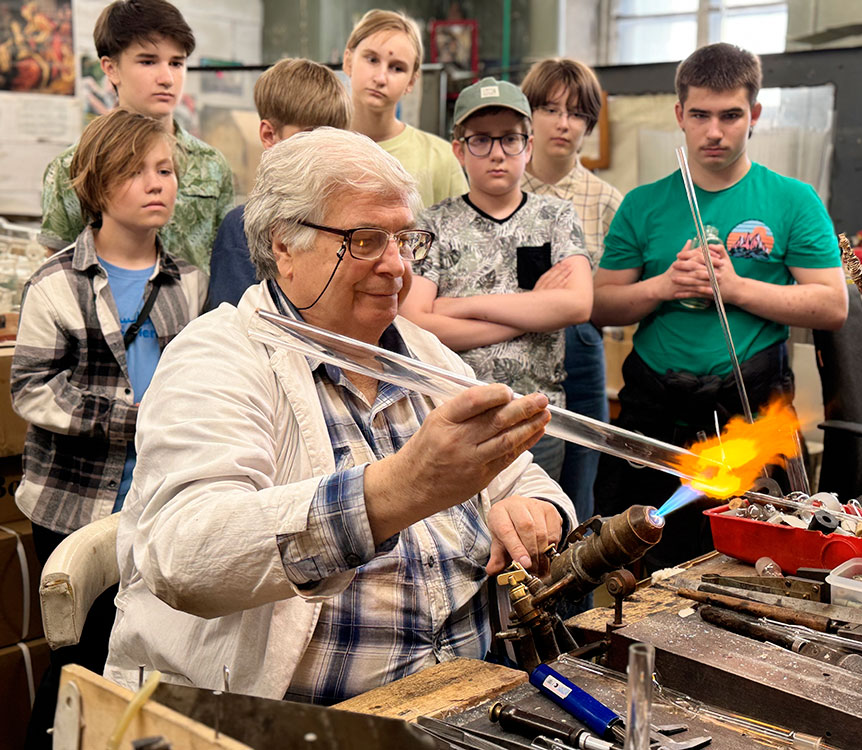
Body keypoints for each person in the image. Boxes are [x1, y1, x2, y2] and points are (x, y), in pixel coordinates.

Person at [104, 127, 576, 704]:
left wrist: (535, 508)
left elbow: (520, 474)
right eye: (365, 240)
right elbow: (186, 555)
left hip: (473, 697)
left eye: (405, 241)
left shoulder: (424, 354)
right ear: (284, 245)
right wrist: (400, 490)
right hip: (305, 723)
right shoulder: (218, 356)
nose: (397, 267)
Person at [592, 43, 848, 569]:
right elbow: (599, 305)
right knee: (635, 558)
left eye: (731, 115)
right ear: (679, 115)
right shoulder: (643, 204)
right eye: (701, 115)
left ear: (754, 114)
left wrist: (736, 289)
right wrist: (663, 286)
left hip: (748, 405)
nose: (715, 132)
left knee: (749, 562)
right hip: (653, 412)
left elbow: (832, 305)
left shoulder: (792, 201)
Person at [13, 108, 207, 748]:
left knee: (154, 648)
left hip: (158, 502)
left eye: (166, 170)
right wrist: (136, 418)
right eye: (135, 172)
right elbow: (32, 388)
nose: (158, 184)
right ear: (95, 187)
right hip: (73, 504)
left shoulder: (188, 283)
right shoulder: (55, 283)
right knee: (83, 656)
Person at [399, 78, 593, 482]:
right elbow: (416, 323)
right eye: (481, 141)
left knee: (540, 538)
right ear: (459, 150)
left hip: (539, 419)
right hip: (454, 418)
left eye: (509, 139)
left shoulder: (556, 217)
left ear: (529, 146)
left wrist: (460, 306)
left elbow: (576, 305)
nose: (497, 154)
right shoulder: (434, 223)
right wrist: (533, 311)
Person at [39, 0, 233, 273]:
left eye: (176, 63)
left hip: (198, 312)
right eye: (148, 61)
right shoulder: (73, 166)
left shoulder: (212, 165)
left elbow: (226, 264)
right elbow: (56, 276)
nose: (167, 78)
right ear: (110, 69)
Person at [520, 57, 623, 522]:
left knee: (579, 497)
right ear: (528, 115)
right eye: (550, 109)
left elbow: (612, 297)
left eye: (577, 113)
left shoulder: (606, 202)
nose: (564, 124)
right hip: (506, 354)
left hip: (581, 352)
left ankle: (577, 593)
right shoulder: (498, 187)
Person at [207, 58, 351, 310]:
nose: (324, 149)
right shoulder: (241, 227)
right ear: (269, 135)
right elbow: (237, 320)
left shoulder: (347, 223)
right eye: (310, 135)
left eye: (334, 136)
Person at [343, 9, 467, 208]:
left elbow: (462, 236)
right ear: (348, 61)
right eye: (372, 60)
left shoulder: (439, 159)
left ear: (411, 81)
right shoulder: (316, 149)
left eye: (397, 68)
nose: (381, 78)